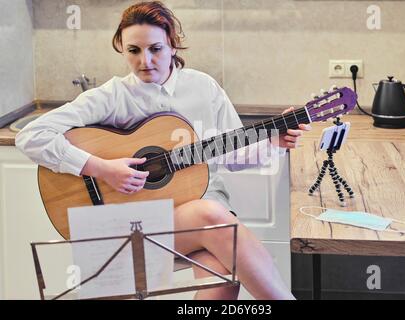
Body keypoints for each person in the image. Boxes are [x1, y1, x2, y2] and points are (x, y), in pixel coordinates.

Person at [16, 1, 311, 300]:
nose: (145, 60)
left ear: (172, 45)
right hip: (133, 220)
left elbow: (230, 156)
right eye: (133, 50)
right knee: (212, 215)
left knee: (221, 283)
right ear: (122, 48)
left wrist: (273, 143)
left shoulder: (203, 88)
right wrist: (101, 168)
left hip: (197, 213)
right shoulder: (113, 96)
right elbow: (31, 136)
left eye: (155, 49)